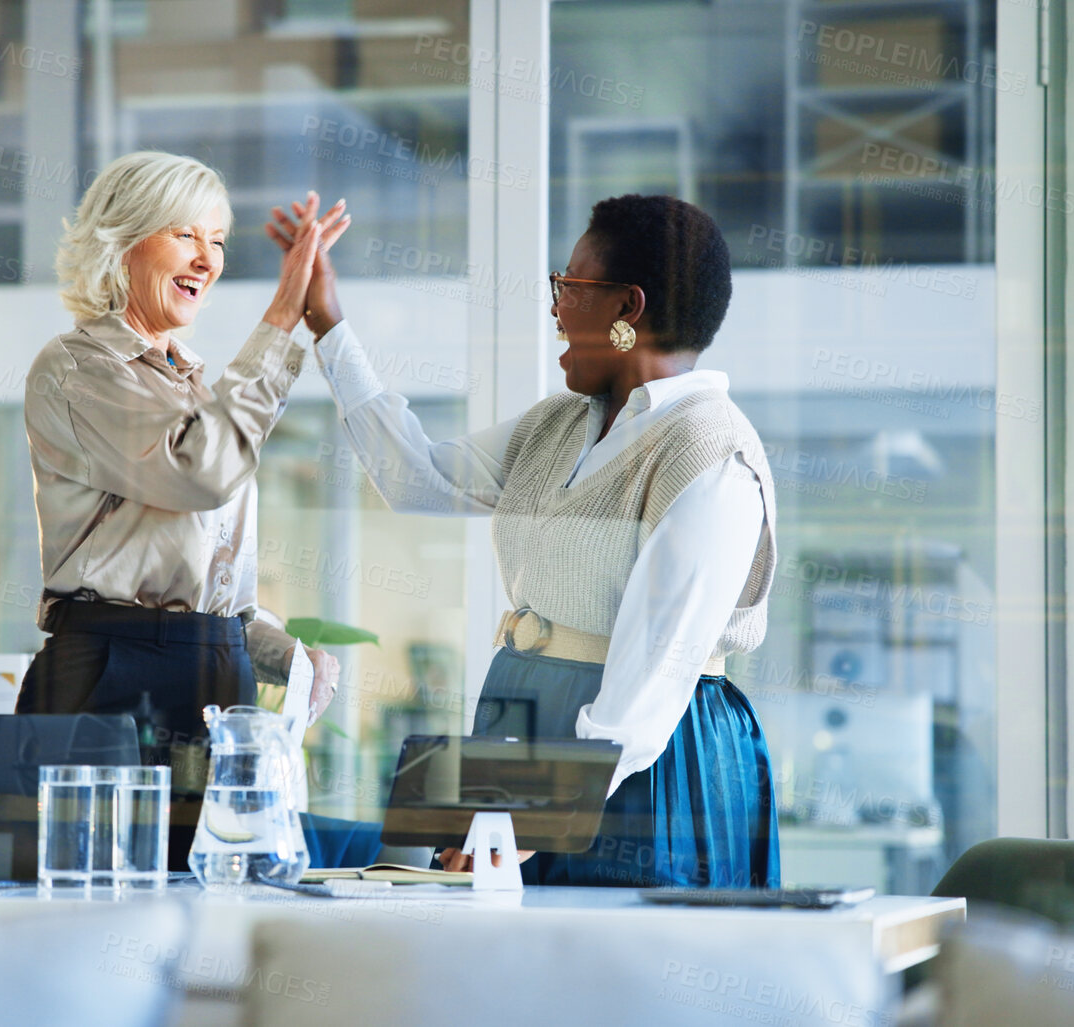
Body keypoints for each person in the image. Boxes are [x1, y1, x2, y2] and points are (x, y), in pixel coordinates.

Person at [270, 193, 780, 887]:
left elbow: (653, 676)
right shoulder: (559, 424)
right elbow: (413, 477)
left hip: (646, 756)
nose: (554, 307)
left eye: (569, 287)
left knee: (612, 974)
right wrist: (326, 322)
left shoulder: (710, 454)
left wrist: (529, 822)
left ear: (627, 309)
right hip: (522, 720)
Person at [17, 152, 347, 763]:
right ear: (122, 243)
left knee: (211, 860)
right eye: (185, 234)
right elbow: (204, 476)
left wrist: (289, 657)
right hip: (112, 674)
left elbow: (221, 602)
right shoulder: (78, 365)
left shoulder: (196, 388)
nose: (208, 259)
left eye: (217, 240)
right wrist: (282, 314)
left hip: (213, 676)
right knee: (106, 856)